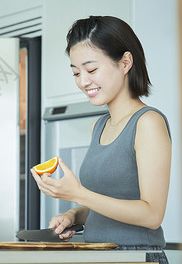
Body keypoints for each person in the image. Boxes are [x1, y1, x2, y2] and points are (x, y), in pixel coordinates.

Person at [31, 16, 171, 263]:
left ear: (125, 62)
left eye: (92, 69)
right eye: (76, 72)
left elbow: (152, 215)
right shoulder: (99, 126)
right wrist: (75, 215)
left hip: (136, 257)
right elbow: (109, 204)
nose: (83, 81)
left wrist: (79, 194)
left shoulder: (147, 122)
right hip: (96, 255)